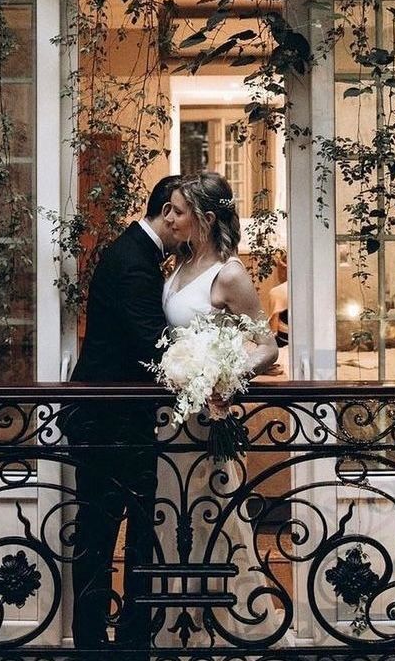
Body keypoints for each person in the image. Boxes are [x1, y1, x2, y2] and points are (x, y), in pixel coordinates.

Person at [153, 172, 294, 650]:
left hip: (210, 421)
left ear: (206, 219)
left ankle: (233, 629)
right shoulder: (176, 265)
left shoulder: (229, 274)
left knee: (219, 521)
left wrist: (224, 379)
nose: (168, 217)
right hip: (173, 424)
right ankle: (179, 630)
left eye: (177, 210)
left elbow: (266, 346)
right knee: (173, 523)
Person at [65, 175, 180, 654]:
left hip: (116, 416)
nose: (191, 225)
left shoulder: (136, 252)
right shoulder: (134, 262)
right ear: (169, 213)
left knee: (122, 526)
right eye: (187, 214)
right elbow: (153, 343)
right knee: (102, 528)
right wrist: (216, 358)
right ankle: (99, 641)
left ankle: (120, 634)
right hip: (110, 419)